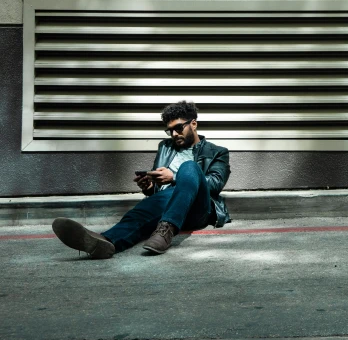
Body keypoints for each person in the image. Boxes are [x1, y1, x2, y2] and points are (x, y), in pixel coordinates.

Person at [52, 101, 231, 258]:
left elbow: (215, 184)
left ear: (193, 124)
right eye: (170, 131)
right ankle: (106, 242)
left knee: (188, 167)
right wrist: (149, 187)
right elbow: (159, 190)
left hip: (198, 209)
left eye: (178, 128)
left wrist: (174, 177)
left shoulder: (217, 151)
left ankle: (166, 230)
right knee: (140, 213)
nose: (174, 134)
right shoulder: (165, 147)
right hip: (167, 202)